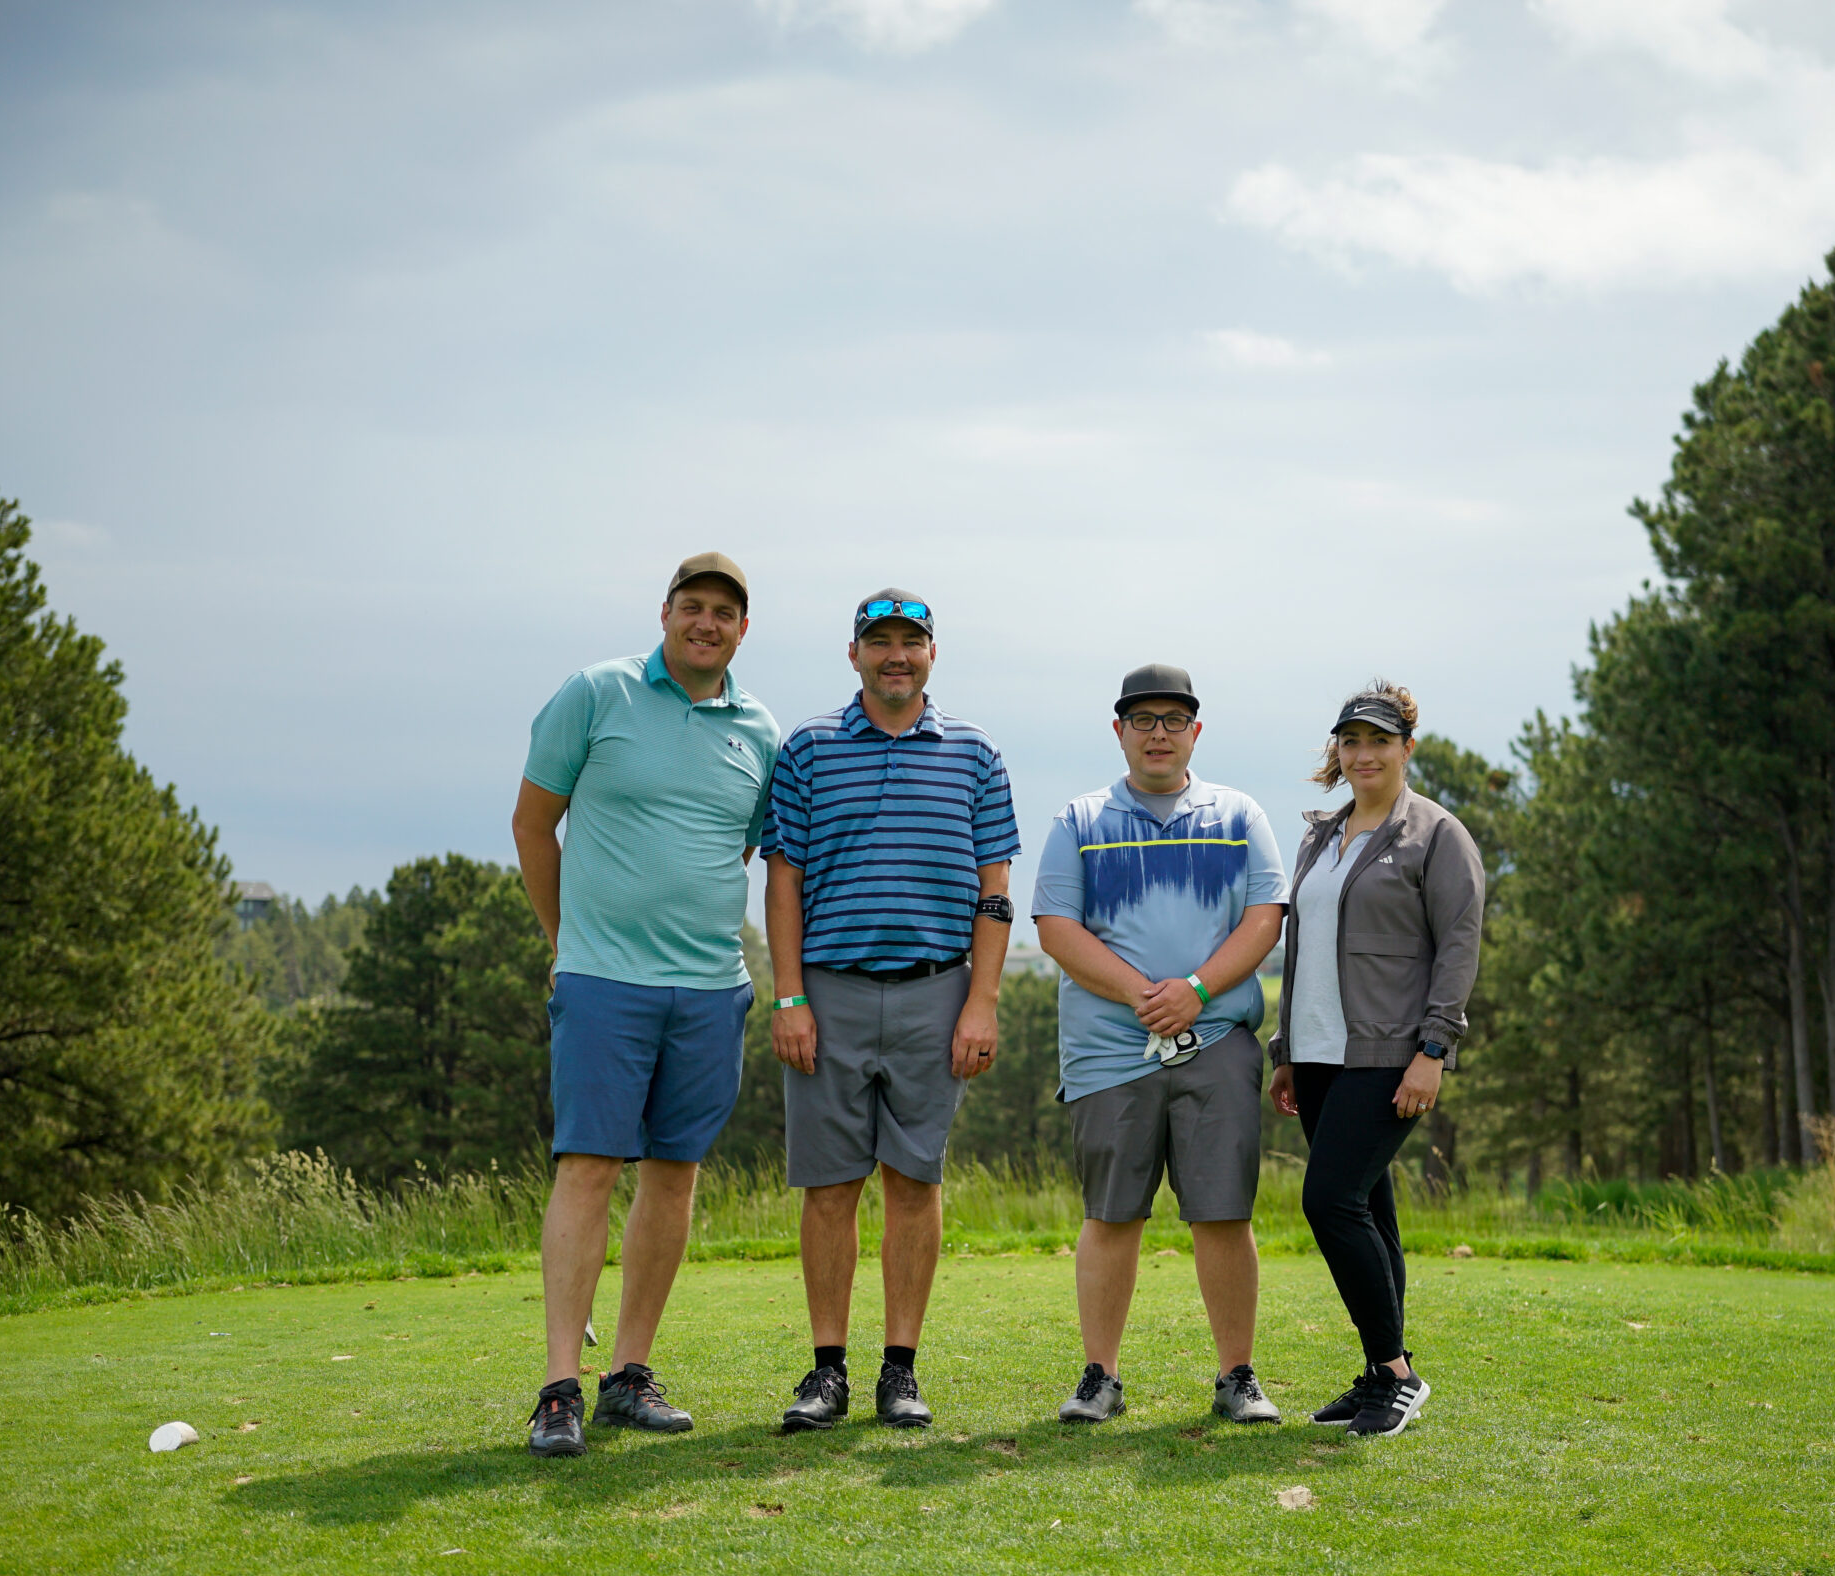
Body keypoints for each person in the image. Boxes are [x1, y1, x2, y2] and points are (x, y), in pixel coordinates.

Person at [513, 552, 782, 1458]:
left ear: (743, 629)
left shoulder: (760, 731)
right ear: (665, 611)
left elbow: (735, 849)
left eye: (724, 613)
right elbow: (532, 823)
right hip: (602, 980)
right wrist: (566, 942)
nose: (707, 623)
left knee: (675, 1173)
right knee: (589, 1166)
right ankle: (559, 1386)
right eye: (693, 606)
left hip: (709, 988)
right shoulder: (597, 694)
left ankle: (629, 1374)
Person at [764, 589, 1019, 1432]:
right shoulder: (808, 748)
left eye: (912, 640)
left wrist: (982, 1001)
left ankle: (899, 1371)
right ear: (855, 654)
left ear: (932, 654)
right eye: (880, 641)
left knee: (915, 1180)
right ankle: (827, 1371)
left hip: (936, 991)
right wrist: (789, 996)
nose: (896, 654)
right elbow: (784, 880)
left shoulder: (976, 754)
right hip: (828, 991)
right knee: (830, 1185)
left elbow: (994, 891)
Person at [1030, 665, 1288, 1425]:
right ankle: (1100, 1377)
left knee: (1223, 1212)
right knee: (1112, 1214)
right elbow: (1056, 928)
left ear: (1195, 732)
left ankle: (1237, 1375)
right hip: (1109, 1049)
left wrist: (1195, 992)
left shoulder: (1239, 813)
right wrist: (1144, 995)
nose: (1158, 734)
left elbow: (1265, 919)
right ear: (1119, 731)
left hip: (1216, 1039)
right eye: (1142, 720)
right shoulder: (1079, 819)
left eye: (1174, 720)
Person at [1268, 681, 1483, 1439]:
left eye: (1379, 741)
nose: (1363, 754)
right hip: (1318, 1053)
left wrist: (1433, 1050)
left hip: (1389, 1051)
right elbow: (1301, 948)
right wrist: (1286, 1050)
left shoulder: (1437, 835)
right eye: (1351, 740)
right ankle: (1376, 1373)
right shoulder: (1320, 835)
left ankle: (1396, 1375)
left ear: (1406, 748)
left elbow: (1458, 946)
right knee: (1370, 1208)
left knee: (1329, 1200)